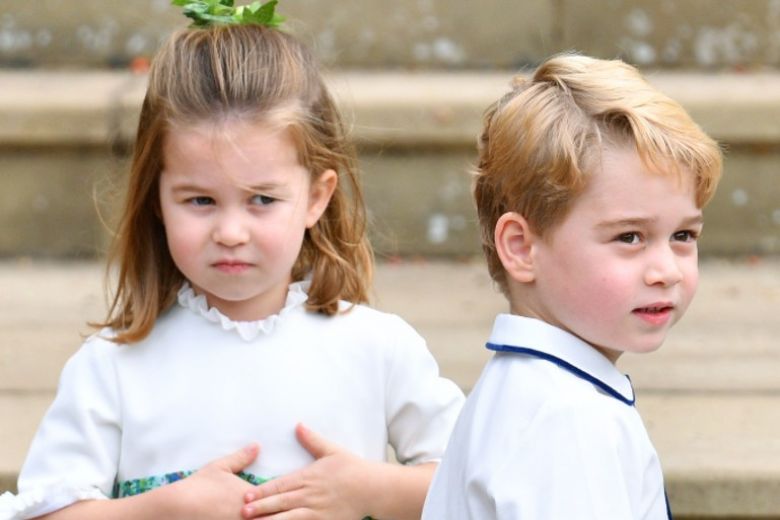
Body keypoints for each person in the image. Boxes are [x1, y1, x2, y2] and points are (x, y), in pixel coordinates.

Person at [0, 4, 463, 520]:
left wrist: (373, 491)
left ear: (316, 196)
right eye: (200, 201)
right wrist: (160, 511)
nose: (230, 232)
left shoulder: (379, 350)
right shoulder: (113, 367)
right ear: (156, 198)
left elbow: (480, 483)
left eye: (262, 199)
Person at [421, 53, 722, 519]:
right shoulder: (566, 420)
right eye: (629, 237)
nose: (667, 270)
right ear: (521, 248)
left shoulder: (536, 391)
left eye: (683, 235)